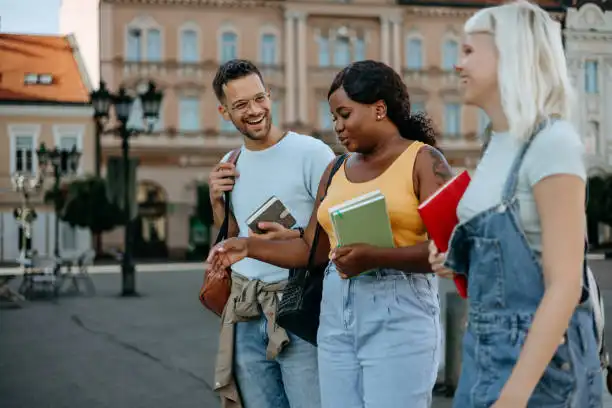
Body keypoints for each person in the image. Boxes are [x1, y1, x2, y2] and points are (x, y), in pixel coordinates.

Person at [208, 60, 454, 408]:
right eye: (333, 117)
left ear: (379, 109)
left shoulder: (425, 161)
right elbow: (313, 250)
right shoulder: (336, 168)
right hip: (336, 313)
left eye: (344, 114)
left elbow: (453, 247)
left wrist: (375, 256)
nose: (337, 127)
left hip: (398, 307)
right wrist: (246, 247)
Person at [428, 1, 603, 407]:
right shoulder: (499, 144)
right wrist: (455, 259)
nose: (457, 64)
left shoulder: (551, 142)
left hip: (538, 368)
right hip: (483, 351)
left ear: (512, 53)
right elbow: (512, 256)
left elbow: (563, 286)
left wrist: (514, 397)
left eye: (470, 51)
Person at [208, 59, 335, 408]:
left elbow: (333, 232)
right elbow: (228, 242)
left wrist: (293, 235)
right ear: (224, 112)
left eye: (259, 98)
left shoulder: (312, 153)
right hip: (246, 313)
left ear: (270, 95)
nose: (254, 110)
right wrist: (218, 206)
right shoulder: (231, 161)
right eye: (240, 105)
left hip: (301, 309)